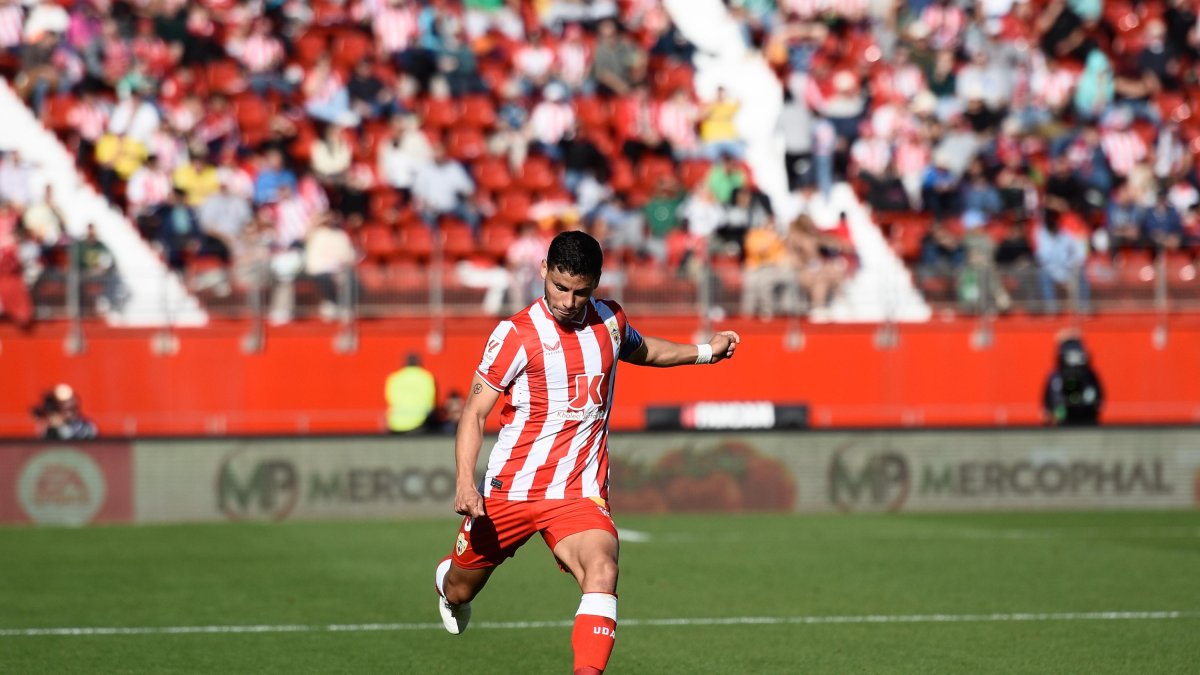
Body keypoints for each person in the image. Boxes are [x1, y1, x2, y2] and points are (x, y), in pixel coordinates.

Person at [434, 231, 740, 675]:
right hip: (510, 490)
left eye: (581, 291)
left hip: (578, 492)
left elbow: (643, 348)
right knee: (461, 589)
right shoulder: (515, 334)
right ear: (543, 271)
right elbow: (474, 412)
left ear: (596, 282)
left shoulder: (609, 321)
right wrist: (465, 481)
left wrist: (705, 352)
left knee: (602, 569)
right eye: (560, 287)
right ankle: (446, 582)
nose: (568, 301)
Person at [1043, 335, 1103, 426]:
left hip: (1086, 419)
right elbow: (1048, 404)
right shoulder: (1055, 377)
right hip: (1062, 422)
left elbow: (1098, 400)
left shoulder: (1089, 375)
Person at [385, 352, 437, 433]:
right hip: (420, 423)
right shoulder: (426, 377)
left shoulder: (394, 378)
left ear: (404, 363)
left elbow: (390, 399)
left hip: (396, 424)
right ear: (419, 363)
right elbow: (431, 403)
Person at [32, 384, 98, 440]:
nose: (68, 411)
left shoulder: (85, 425)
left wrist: (61, 427)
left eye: (70, 408)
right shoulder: (48, 426)